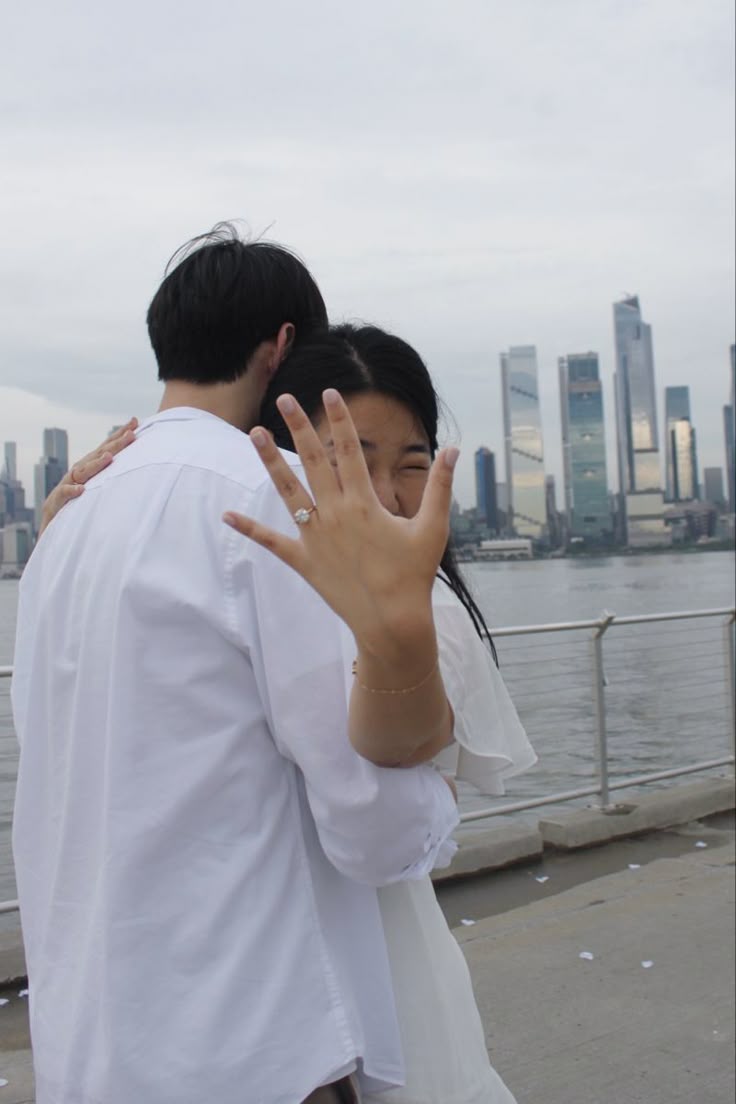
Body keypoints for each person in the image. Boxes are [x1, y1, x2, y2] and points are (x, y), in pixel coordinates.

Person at [12, 226, 463, 1104]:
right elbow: (368, 819)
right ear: (285, 347)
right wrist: (435, 795)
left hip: (92, 1039)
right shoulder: (274, 500)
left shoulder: (68, 524)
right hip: (256, 1036)